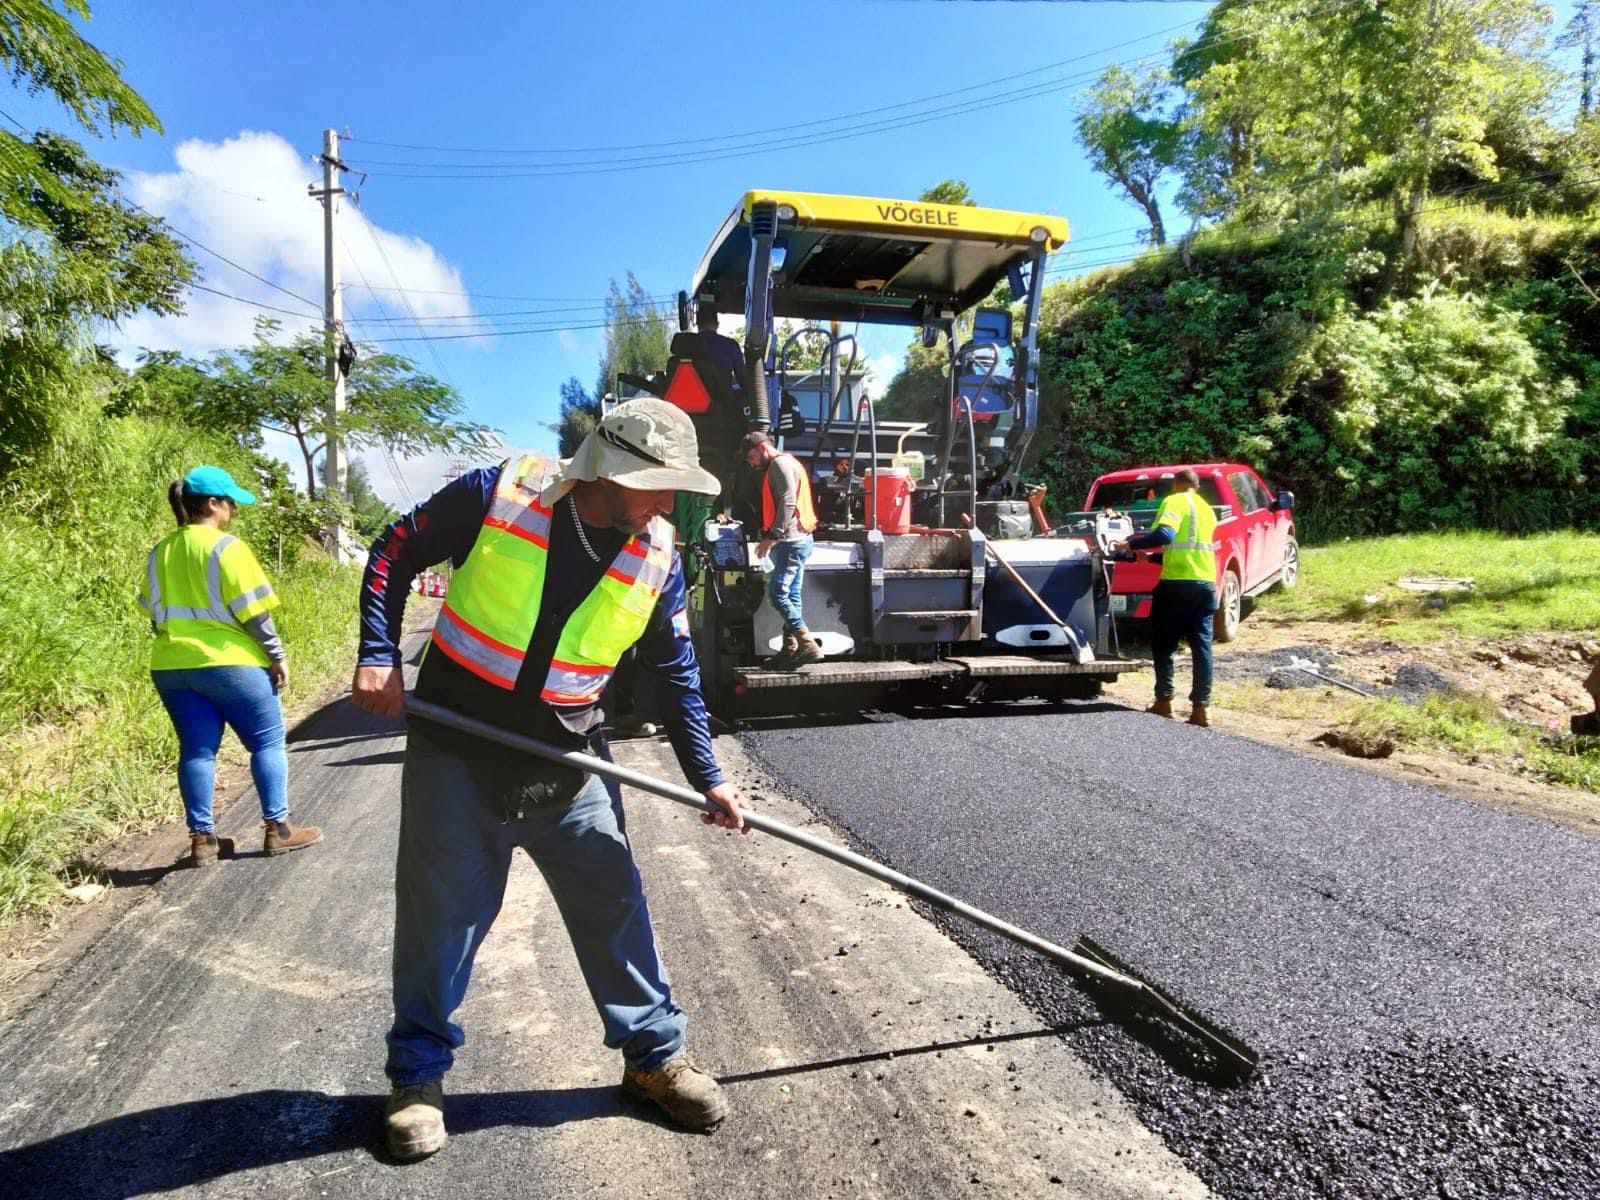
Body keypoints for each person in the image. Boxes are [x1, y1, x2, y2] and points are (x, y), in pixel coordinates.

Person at [351, 398, 749, 1160]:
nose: (668, 504)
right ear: (606, 467)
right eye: (656, 485)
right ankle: (417, 1078)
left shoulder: (659, 555)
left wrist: (710, 777)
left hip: (570, 758)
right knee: (440, 918)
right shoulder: (499, 493)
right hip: (456, 748)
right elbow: (393, 550)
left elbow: (676, 675)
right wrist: (377, 652)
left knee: (614, 901)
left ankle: (654, 1058)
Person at [140, 466, 322, 867]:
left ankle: (202, 840)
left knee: (197, 751)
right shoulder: (227, 548)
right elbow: (255, 615)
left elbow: (154, 614)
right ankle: (279, 829)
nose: (233, 511)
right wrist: (277, 656)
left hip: (172, 666)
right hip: (233, 664)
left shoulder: (161, 551)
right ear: (212, 503)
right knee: (267, 743)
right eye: (230, 503)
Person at [1112, 468, 1219, 727]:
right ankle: (1200, 709)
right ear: (1196, 486)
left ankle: (1164, 700)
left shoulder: (1175, 500)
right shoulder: (1207, 509)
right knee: (1202, 646)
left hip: (1175, 586)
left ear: (1177, 485)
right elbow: (1189, 548)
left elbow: (1165, 535)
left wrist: (1130, 544)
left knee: (1164, 643)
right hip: (1205, 584)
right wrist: (1155, 558)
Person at [742, 430, 822, 669]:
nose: (751, 463)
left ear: (761, 448)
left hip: (790, 541)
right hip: (798, 539)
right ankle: (790, 648)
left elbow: (788, 501)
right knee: (792, 595)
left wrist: (772, 536)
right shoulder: (788, 462)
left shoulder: (779, 466)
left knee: (778, 594)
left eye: (751, 457)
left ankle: (807, 644)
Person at [696, 299, 745, 399]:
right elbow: (742, 378)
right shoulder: (730, 345)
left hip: (686, 404)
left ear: (697, 324)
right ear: (717, 324)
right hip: (723, 404)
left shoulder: (686, 347)